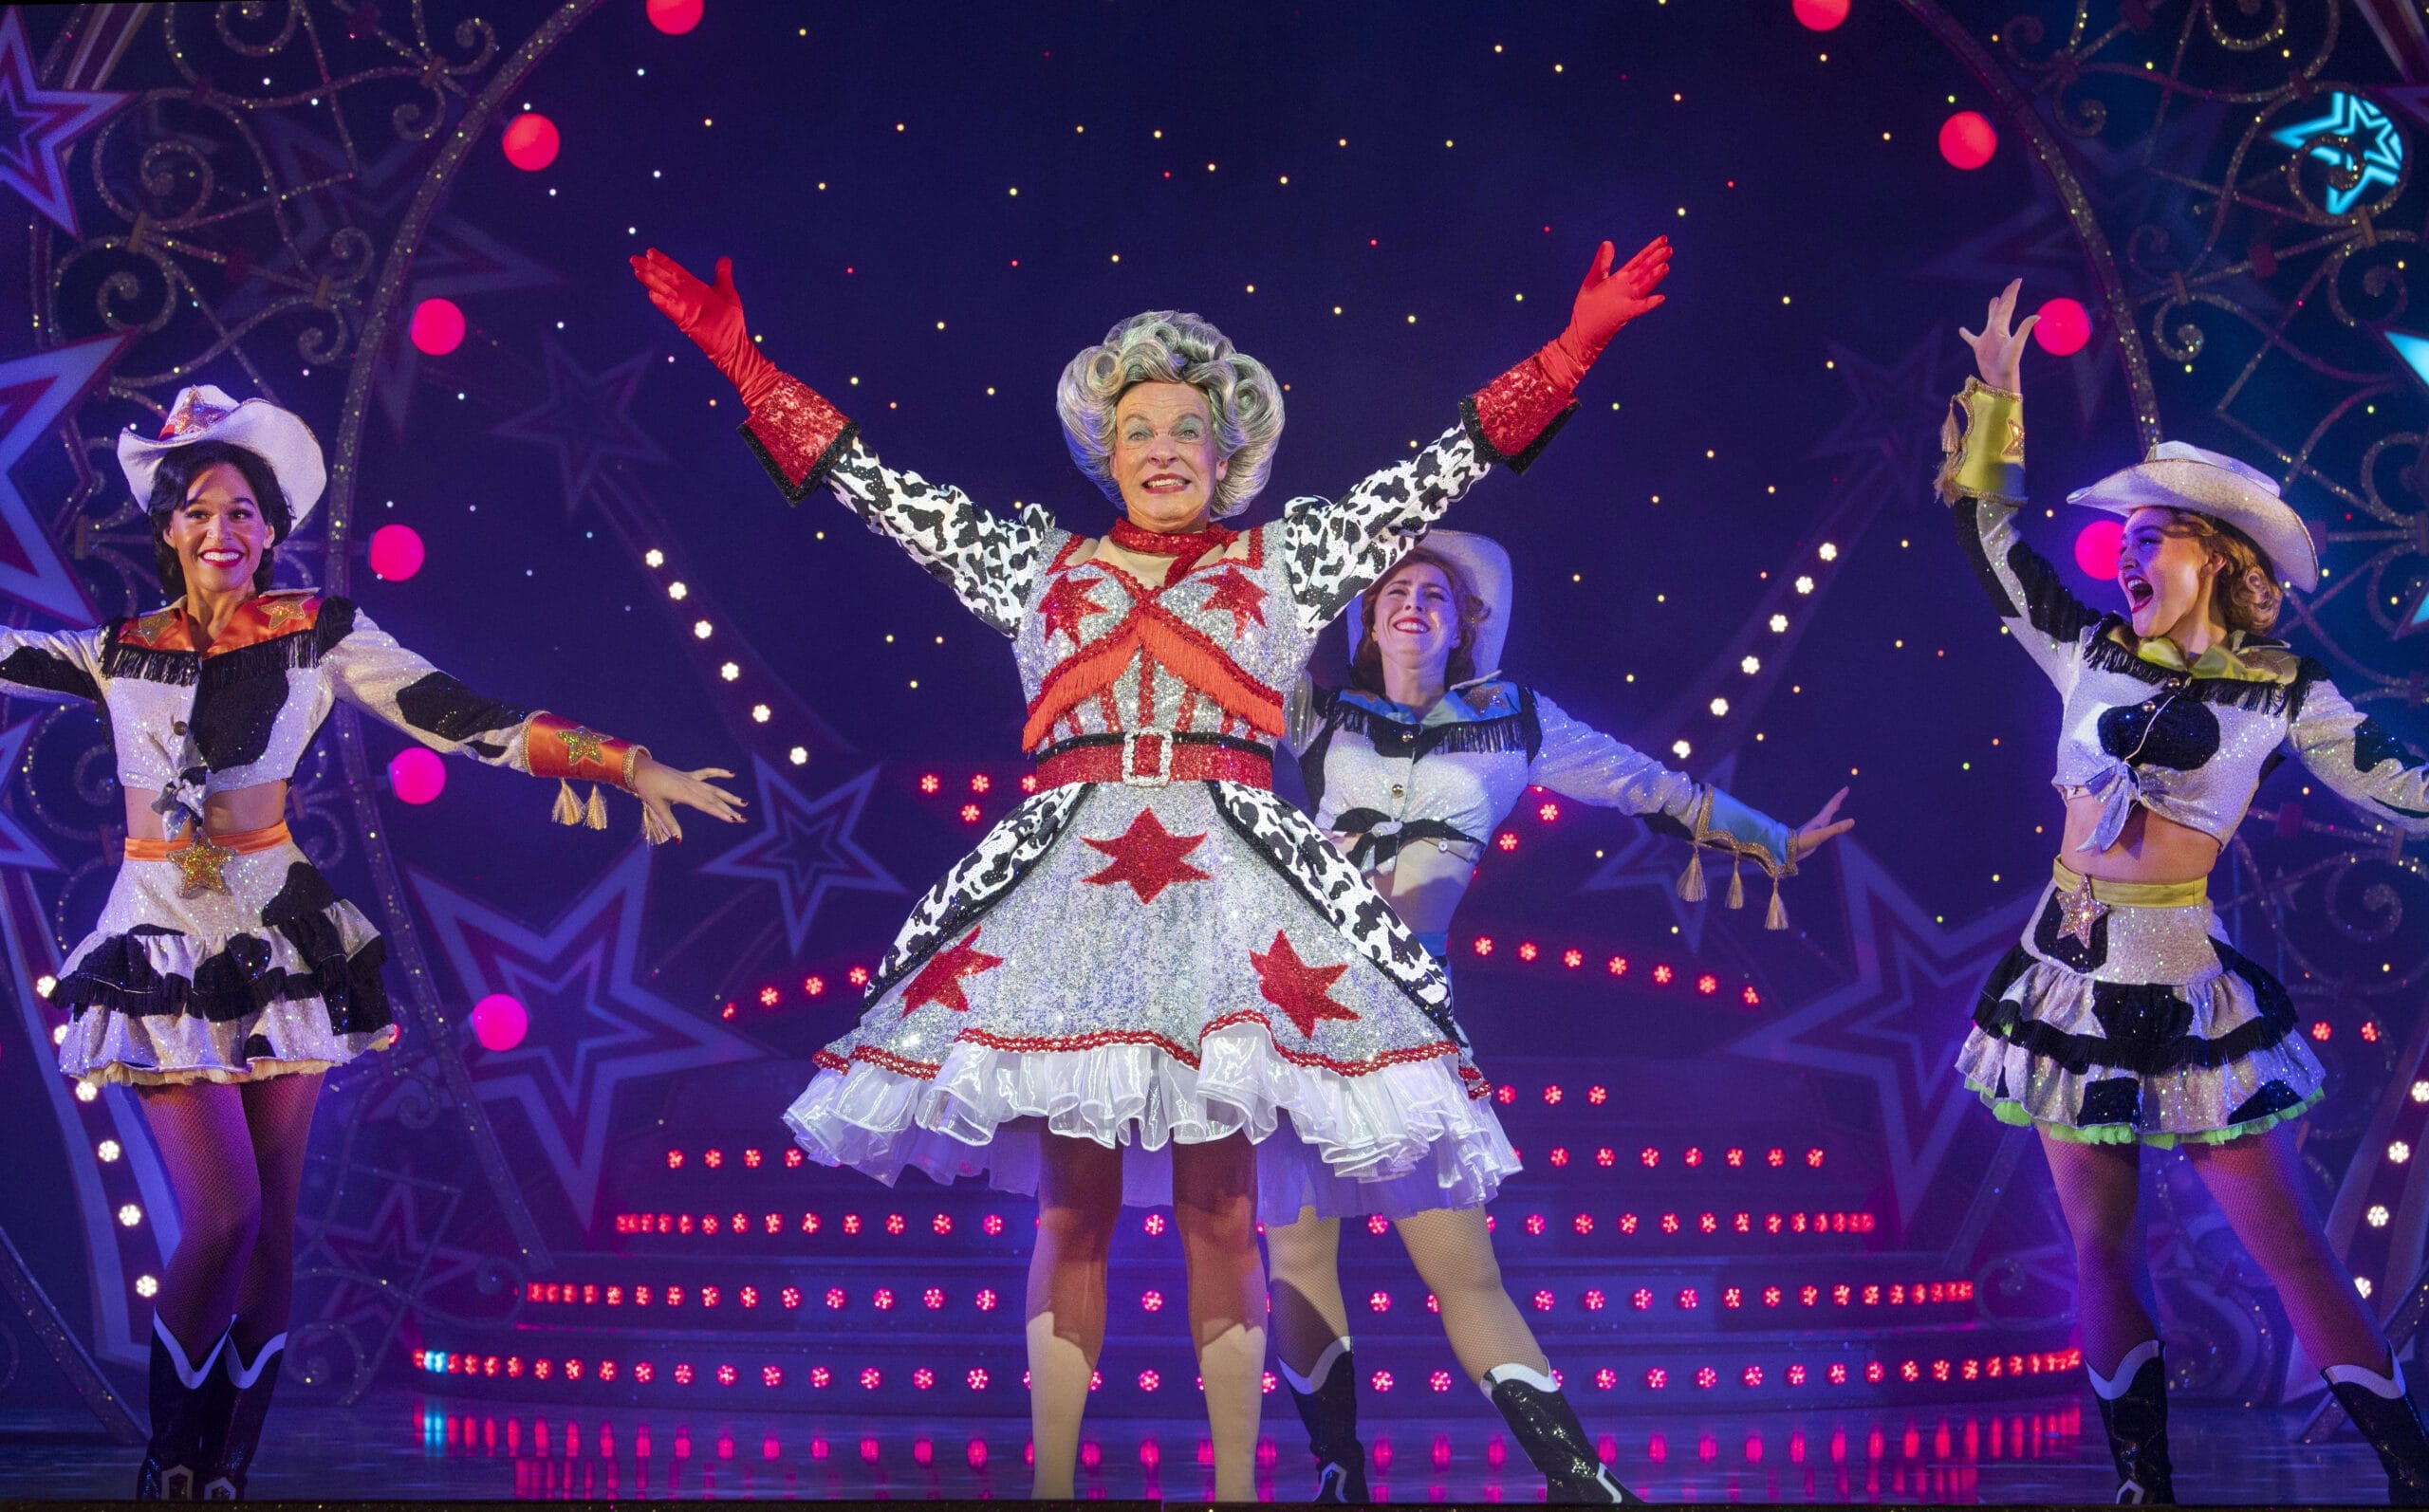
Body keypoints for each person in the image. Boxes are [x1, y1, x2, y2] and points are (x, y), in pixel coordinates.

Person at [633, 236, 1670, 1500]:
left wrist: (1570, 353)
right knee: (1070, 1212)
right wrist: (743, 366)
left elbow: (1432, 470)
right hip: (1073, 902)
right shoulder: (1038, 568)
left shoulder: (1284, 561)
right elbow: (872, 486)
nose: (1166, 448)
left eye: (1191, 428)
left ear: (1228, 455)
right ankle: (1056, 1489)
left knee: (1224, 1217)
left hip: (1235, 906)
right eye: (1141, 430)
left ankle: (1240, 1491)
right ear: (1105, 452)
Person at [12, 386, 744, 1498]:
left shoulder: (321, 633)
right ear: (167, 530)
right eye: (202, 509)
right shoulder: (115, 652)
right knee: (222, 1213)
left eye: (246, 511)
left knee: (273, 1223)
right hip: (158, 940)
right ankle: (174, 1443)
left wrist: (619, 762)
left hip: (281, 936)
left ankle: (223, 1466)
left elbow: (459, 713)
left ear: (270, 529)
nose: (225, 529)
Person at [1940, 282, 2429, 1503]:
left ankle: (2412, 1473)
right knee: (2096, 1249)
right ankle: (2141, 1487)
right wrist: (1997, 394)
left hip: (2183, 988)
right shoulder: (2087, 647)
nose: (2126, 555)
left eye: (2152, 538)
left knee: (2292, 1255)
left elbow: (2399, 784)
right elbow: (1990, 539)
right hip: (2062, 979)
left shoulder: (2282, 689)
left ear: (2219, 559)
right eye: (2127, 539)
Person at [1270, 530, 1852, 1502]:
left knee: (1463, 1264)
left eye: (1435, 595)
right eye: (1392, 592)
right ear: (1366, 618)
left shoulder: (1513, 719)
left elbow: (1653, 790)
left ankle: (1578, 1480)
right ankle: (1339, 1474)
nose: (1412, 603)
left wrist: (1773, 840)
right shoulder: (1318, 714)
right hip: (1296, 999)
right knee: (1296, 1244)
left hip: (1408, 1007)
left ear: (1467, 626)